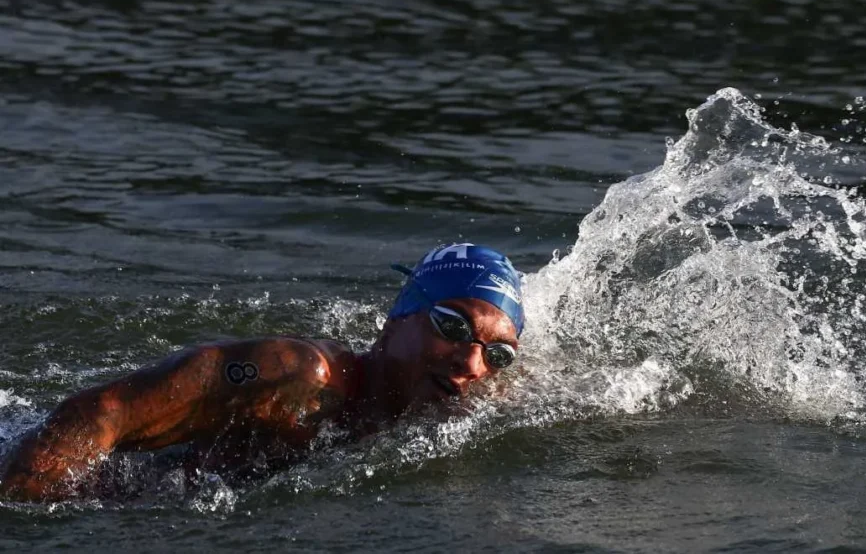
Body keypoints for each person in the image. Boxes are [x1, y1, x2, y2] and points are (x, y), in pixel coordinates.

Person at [0, 243, 525, 502]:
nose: (471, 362)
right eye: (452, 326)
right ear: (395, 322)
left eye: (497, 353)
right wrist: (25, 511)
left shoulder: (469, 407)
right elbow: (103, 413)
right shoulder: (299, 377)